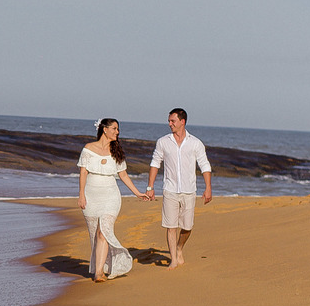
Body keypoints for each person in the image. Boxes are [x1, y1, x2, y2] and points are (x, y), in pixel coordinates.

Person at [79, 118, 148, 282]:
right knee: (95, 234)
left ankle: (98, 273)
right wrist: (81, 194)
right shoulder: (88, 149)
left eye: (118, 129)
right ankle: (100, 267)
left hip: (111, 195)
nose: (117, 132)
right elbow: (83, 173)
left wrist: (138, 193)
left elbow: (123, 175)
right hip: (91, 195)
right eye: (115, 128)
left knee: (104, 232)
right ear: (105, 129)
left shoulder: (117, 152)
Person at [145, 108, 212, 268]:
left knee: (187, 227)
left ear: (182, 122)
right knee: (170, 226)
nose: (169, 124)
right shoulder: (163, 142)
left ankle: (179, 247)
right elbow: (155, 163)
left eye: (172, 121)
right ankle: (173, 259)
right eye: (169, 121)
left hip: (189, 190)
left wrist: (208, 187)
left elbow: (204, 165)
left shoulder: (195, 143)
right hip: (170, 190)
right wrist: (150, 186)